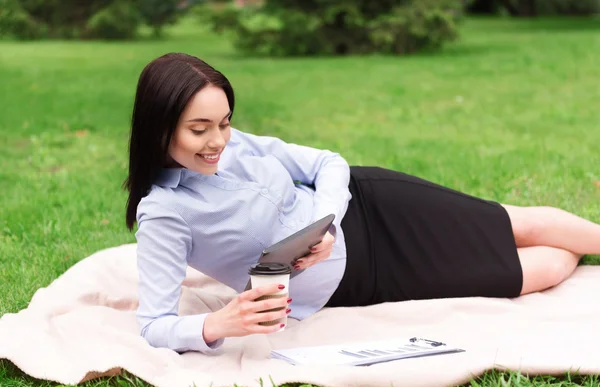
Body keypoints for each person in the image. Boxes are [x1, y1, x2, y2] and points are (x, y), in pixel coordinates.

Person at [124, 52, 600, 354]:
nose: (218, 141)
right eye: (199, 129)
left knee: (517, 224)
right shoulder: (164, 212)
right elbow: (156, 326)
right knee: (533, 273)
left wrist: (324, 224)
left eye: (224, 123)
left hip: (373, 204)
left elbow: (329, 164)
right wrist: (217, 324)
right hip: (360, 281)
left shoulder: (238, 143)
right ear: (159, 126)